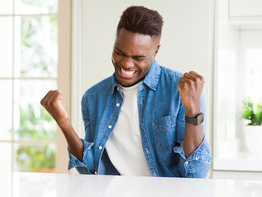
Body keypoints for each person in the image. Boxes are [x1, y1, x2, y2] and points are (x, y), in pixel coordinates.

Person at [41, 6, 212, 178]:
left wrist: (193, 111)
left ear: (156, 52)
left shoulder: (180, 91)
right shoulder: (93, 97)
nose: (127, 64)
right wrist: (63, 122)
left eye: (138, 58)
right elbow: (91, 169)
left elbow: (196, 175)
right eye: (119, 52)